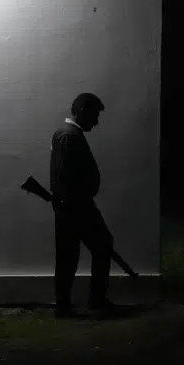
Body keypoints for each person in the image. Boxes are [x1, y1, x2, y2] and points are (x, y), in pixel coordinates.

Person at [50, 92, 116, 318]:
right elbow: (64, 176)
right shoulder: (68, 135)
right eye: (94, 115)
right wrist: (70, 204)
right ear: (80, 111)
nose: (96, 121)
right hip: (76, 207)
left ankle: (67, 305)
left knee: (72, 255)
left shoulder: (69, 134)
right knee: (94, 248)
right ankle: (90, 302)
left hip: (74, 206)